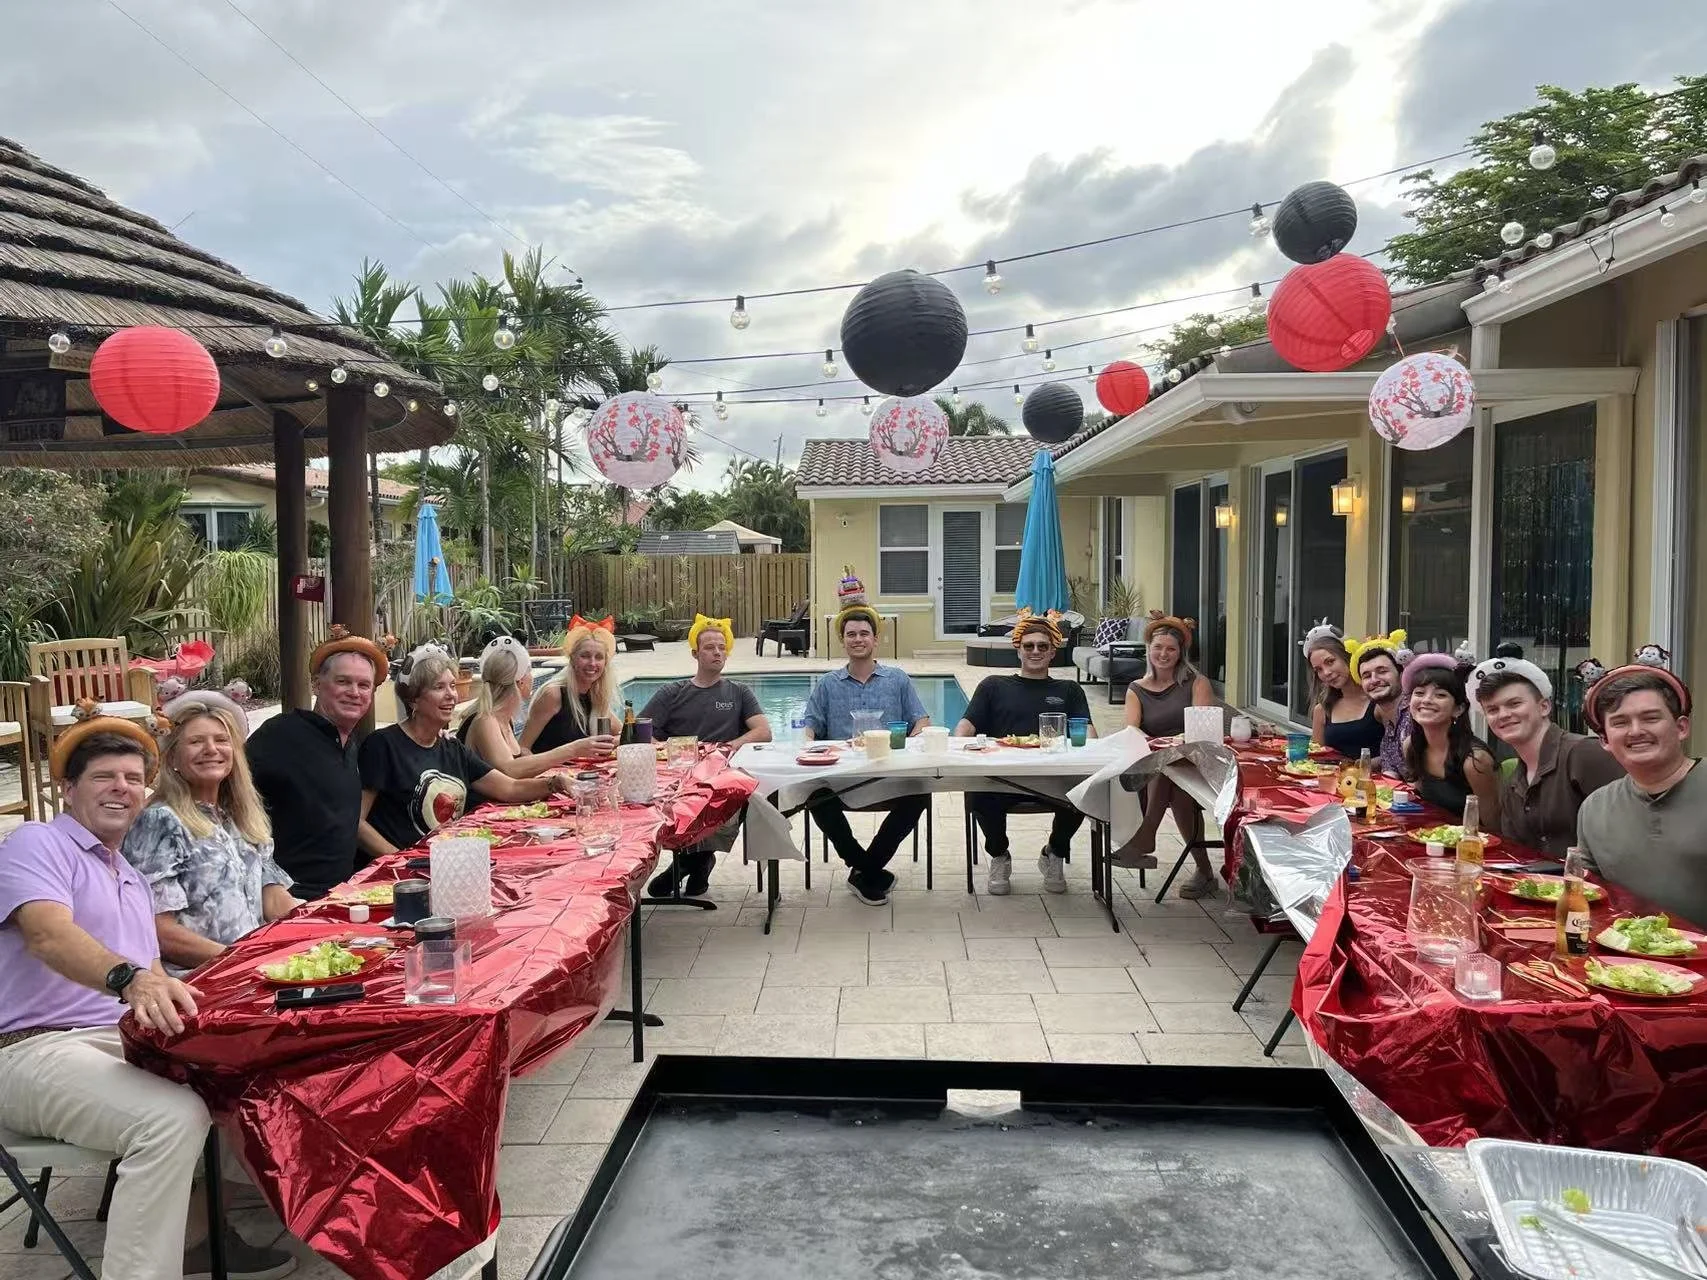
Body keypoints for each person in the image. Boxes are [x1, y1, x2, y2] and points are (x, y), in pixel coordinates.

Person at [0, 714, 296, 1280]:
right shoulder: (38, 843)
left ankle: (200, 1240)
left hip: (121, 1041)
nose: (121, 788)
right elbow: (47, 934)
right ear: (68, 789)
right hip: (32, 1049)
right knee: (171, 1119)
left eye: (133, 779)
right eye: (103, 777)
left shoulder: (130, 879)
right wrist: (128, 979)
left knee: (253, 1080)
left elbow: (159, 976)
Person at [122, 694, 299, 975]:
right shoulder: (159, 820)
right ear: (173, 758)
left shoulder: (239, 818)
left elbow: (274, 899)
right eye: (196, 742)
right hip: (201, 981)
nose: (211, 749)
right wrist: (244, 961)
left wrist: (320, 930)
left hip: (254, 971)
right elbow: (160, 932)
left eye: (221, 740)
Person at [359, 649, 570, 857]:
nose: (451, 695)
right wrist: (400, 859)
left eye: (452, 685)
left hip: (446, 861)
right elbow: (357, 822)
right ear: (414, 699)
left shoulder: (452, 748)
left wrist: (556, 783)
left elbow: (510, 788)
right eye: (438, 687)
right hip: (400, 869)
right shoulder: (383, 745)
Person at [957, 610, 1096, 896]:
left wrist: (1092, 748)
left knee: (1084, 792)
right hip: (1002, 778)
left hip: (1052, 778)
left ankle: (1054, 852)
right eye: (1029, 646)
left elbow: (1087, 732)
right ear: (1018, 650)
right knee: (979, 793)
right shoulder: (993, 685)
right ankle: (999, 855)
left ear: (1053, 652)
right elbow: (966, 726)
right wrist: (957, 745)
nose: (1035, 651)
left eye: (1042, 646)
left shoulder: (1068, 690)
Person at [801, 597, 929, 906]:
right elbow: (810, 726)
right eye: (851, 634)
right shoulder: (828, 684)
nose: (858, 639)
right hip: (842, 777)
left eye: (863, 633)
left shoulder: (897, 679)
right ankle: (870, 870)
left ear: (875, 638)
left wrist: (909, 745)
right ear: (842, 640)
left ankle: (864, 871)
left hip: (888, 773)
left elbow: (921, 721)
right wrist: (807, 743)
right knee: (816, 798)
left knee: (919, 795)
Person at [247, 624, 386, 900]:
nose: (354, 692)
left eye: (363, 685)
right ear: (316, 684)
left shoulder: (349, 745)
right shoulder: (280, 734)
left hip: (342, 896)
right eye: (343, 681)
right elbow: (228, 794)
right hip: (289, 898)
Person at [640, 614, 772, 897]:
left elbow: (763, 731)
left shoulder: (739, 692)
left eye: (722, 647)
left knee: (737, 799)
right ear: (695, 653)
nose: (717, 653)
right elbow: (640, 731)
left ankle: (689, 864)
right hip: (679, 777)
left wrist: (730, 746)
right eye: (710, 647)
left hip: (722, 776)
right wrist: (665, 751)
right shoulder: (672, 693)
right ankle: (699, 864)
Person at [1576, 657, 1707, 923]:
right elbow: (1586, 894)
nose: (1636, 731)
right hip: (1624, 948)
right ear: (1604, 740)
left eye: (1650, 718)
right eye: (1620, 722)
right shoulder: (1595, 808)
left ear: (1681, 727)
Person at [1469, 655, 1623, 856]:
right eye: (1492, 710)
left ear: (1544, 707)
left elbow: (1625, 834)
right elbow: (1515, 852)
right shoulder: (1513, 782)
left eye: (1514, 704)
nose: (1503, 714)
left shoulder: (1586, 754)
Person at [1120, 612, 1217, 897]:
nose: (1163, 654)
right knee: (1172, 782)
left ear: (1180, 652)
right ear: (1148, 649)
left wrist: (1177, 742)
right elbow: (1132, 730)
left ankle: (1147, 835)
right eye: (1158, 647)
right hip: (1157, 764)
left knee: (1170, 771)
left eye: (1171, 649)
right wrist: (1154, 744)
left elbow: (1202, 730)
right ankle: (1204, 870)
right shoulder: (1136, 689)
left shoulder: (1197, 683)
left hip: (1196, 760)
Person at [457, 635, 615, 775]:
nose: (532, 677)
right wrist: (571, 751)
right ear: (520, 681)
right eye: (529, 671)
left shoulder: (504, 719)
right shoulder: (486, 720)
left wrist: (554, 781)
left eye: (599, 657)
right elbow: (509, 773)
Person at [1401, 654, 1500, 823]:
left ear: (1459, 709)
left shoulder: (1475, 761)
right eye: (1419, 693)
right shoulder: (1411, 745)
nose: (1426, 700)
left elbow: (1494, 825)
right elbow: (1420, 802)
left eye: (1440, 695)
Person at [522, 614, 619, 754]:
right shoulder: (553, 694)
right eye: (585, 656)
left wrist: (610, 742)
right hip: (550, 767)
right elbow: (523, 748)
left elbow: (624, 733)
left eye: (599, 657)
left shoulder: (596, 696)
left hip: (583, 767)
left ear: (605, 663)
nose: (592, 663)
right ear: (572, 658)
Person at [1303, 622, 1381, 758]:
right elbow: (1316, 759)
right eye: (1318, 669)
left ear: (1346, 656)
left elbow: (1396, 755)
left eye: (1330, 661)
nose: (1326, 672)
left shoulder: (1379, 701)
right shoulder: (1322, 710)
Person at [1345, 630, 1409, 775]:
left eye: (1382, 671)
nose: (1374, 680)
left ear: (1401, 674)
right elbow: (1392, 769)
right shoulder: (1389, 720)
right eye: (1367, 676)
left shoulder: (1416, 715)